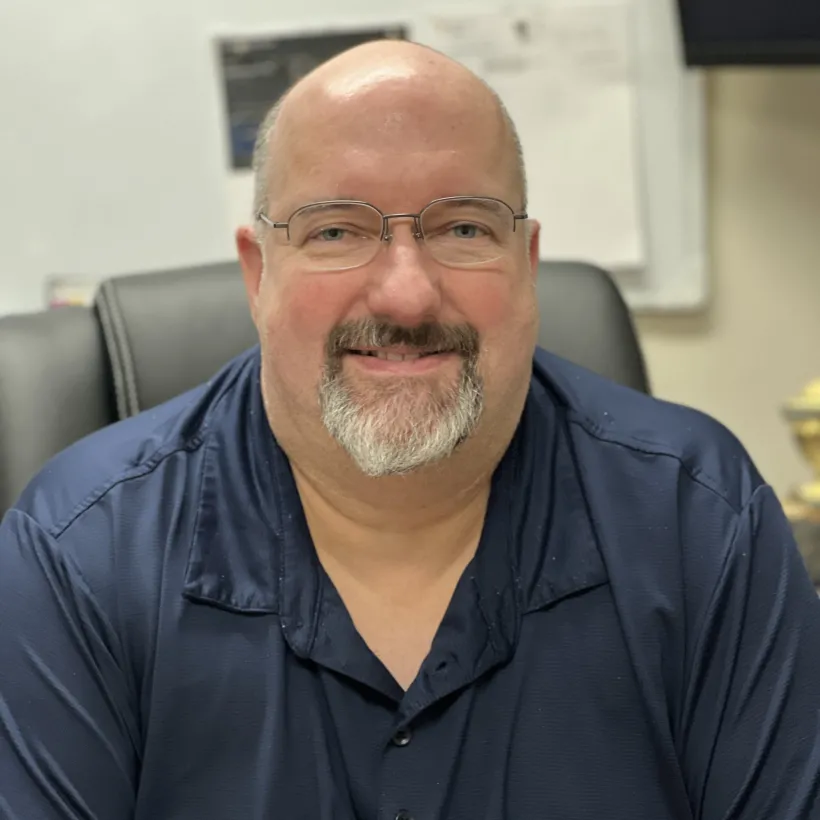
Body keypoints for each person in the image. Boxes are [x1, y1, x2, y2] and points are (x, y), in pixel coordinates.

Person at [0, 39, 818, 820]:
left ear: (526, 263)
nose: (405, 296)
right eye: (337, 231)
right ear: (258, 273)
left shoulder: (699, 520)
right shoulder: (81, 554)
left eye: (463, 228)